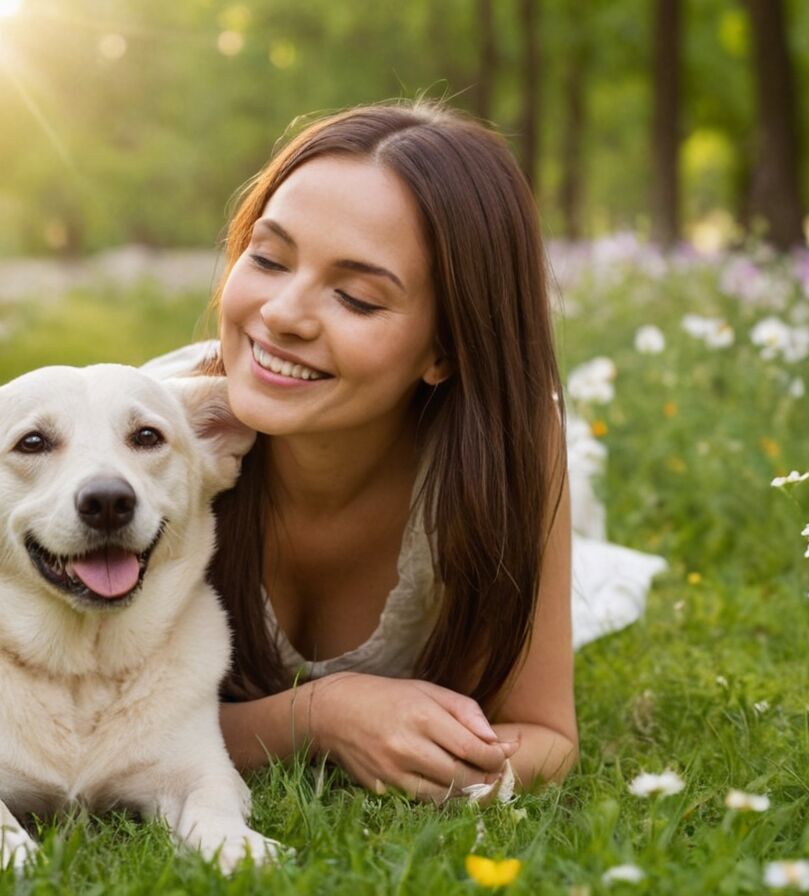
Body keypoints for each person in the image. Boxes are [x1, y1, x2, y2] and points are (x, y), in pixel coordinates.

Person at [143, 99, 665, 802]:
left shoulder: (508, 449)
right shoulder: (143, 453)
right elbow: (68, 724)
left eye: (356, 298)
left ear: (447, 348)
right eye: (267, 258)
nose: (283, 314)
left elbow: (544, 734)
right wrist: (318, 718)